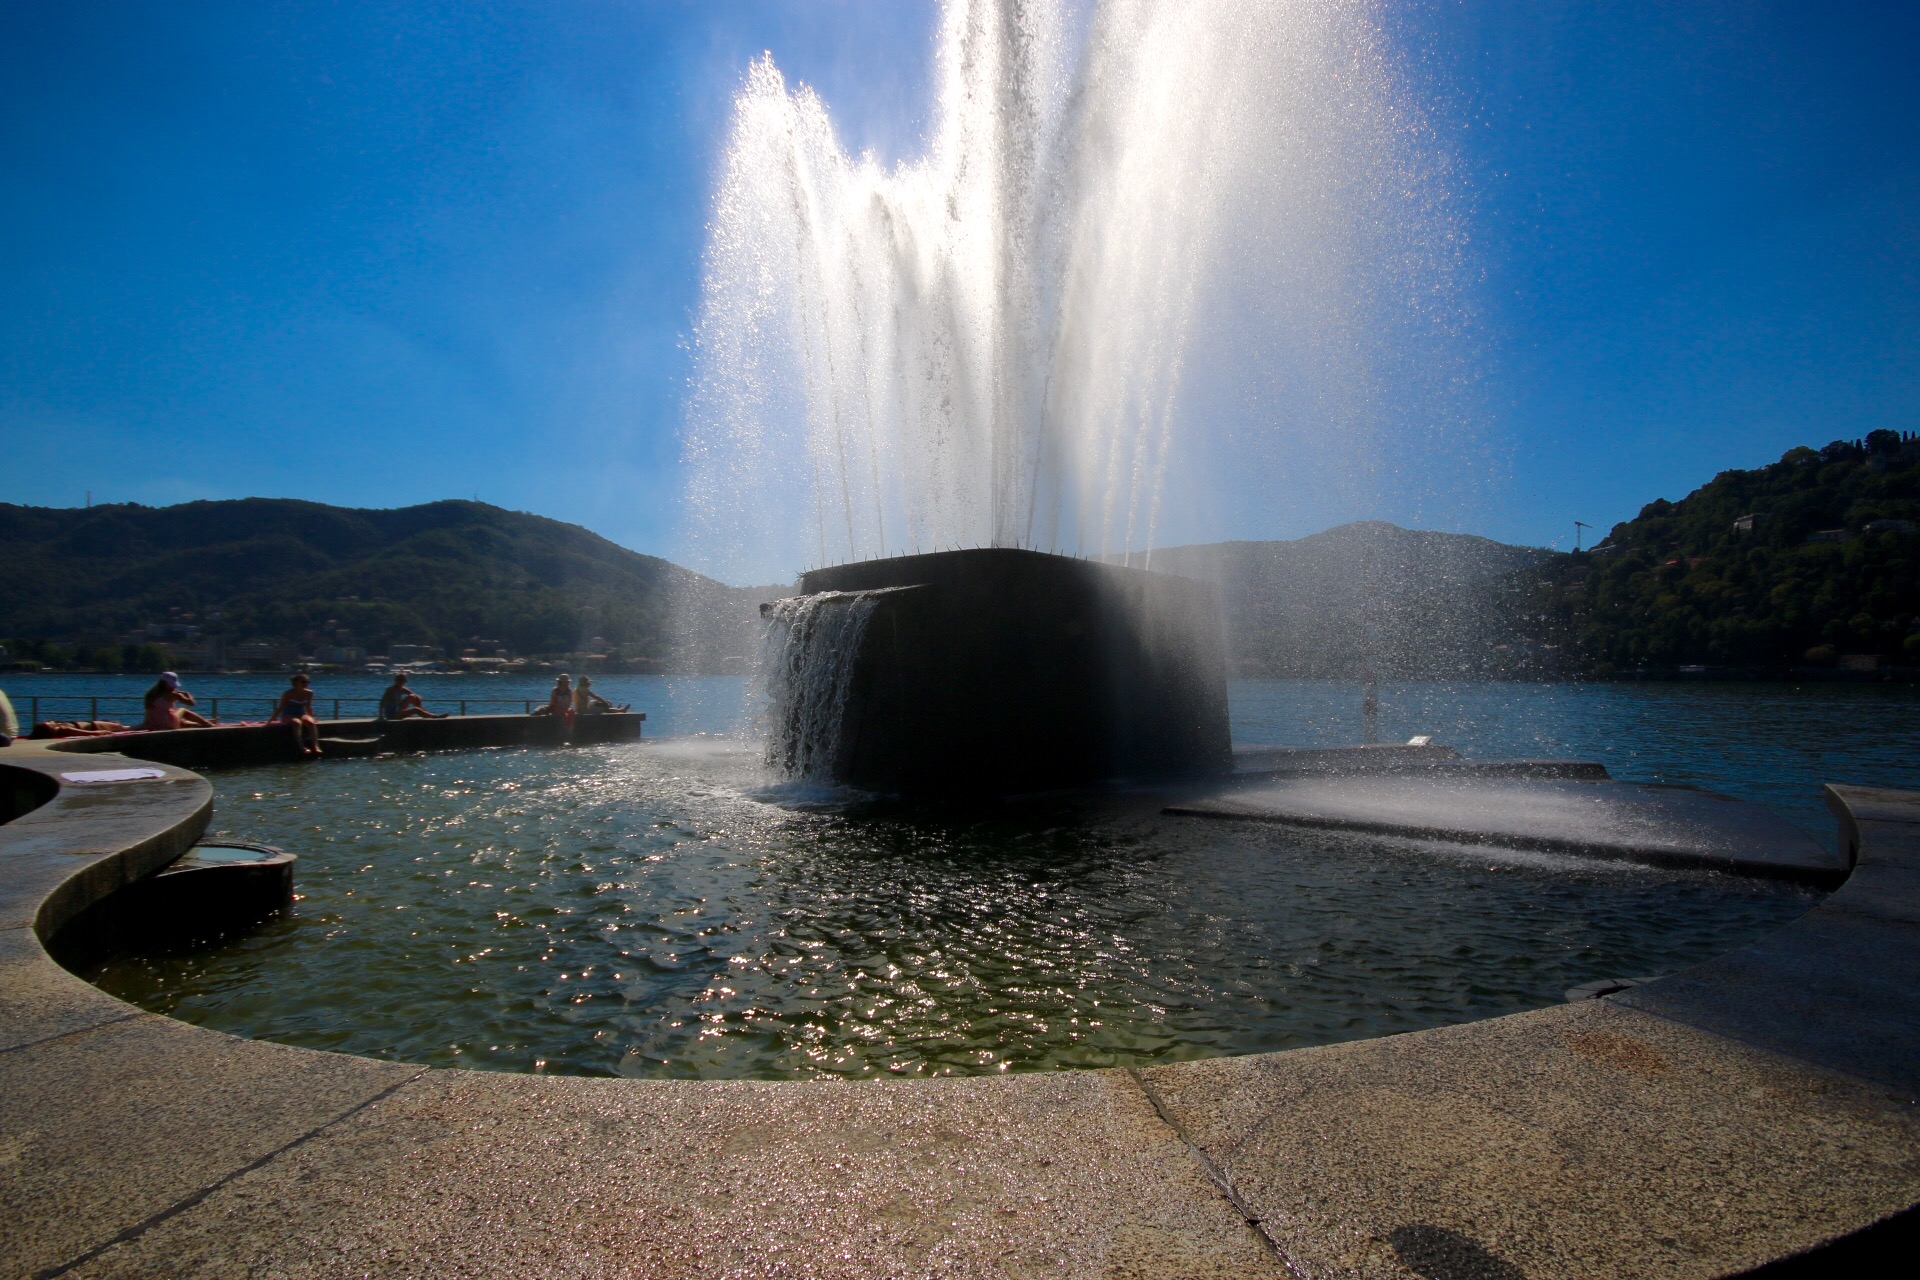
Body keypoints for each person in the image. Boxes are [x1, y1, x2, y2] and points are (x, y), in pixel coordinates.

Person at [270, 672, 322, 757]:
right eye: (303, 682)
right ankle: (302, 747)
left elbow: (308, 707)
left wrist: (312, 717)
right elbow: (281, 707)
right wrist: (272, 719)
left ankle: (315, 746)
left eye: (307, 682)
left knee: (311, 723)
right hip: (288, 714)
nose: (305, 684)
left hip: (301, 713)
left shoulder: (309, 693)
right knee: (297, 723)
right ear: (296, 683)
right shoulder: (288, 693)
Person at [142, 672, 215, 730]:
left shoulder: (151, 694)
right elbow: (191, 703)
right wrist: (187, 694)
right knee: (182, 710)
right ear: (166, 684)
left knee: (178, 718)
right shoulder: (174, 694)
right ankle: (206, 722)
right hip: (168, 723)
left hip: (156, 723)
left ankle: (197, 724)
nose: (174, 687)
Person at [377, 673, 447, 720]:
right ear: (396, 681)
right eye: (399, 680)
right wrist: (381, 716)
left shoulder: (402, 689)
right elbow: (382, 702)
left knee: (412, 696)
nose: (401, 682)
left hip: (398, 710)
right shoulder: (391, 689)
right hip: (392, 714)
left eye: (403, 680)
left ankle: (424, 712)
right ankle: (434, 716)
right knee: (415, 709)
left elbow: (415, 696)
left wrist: (419, 703)